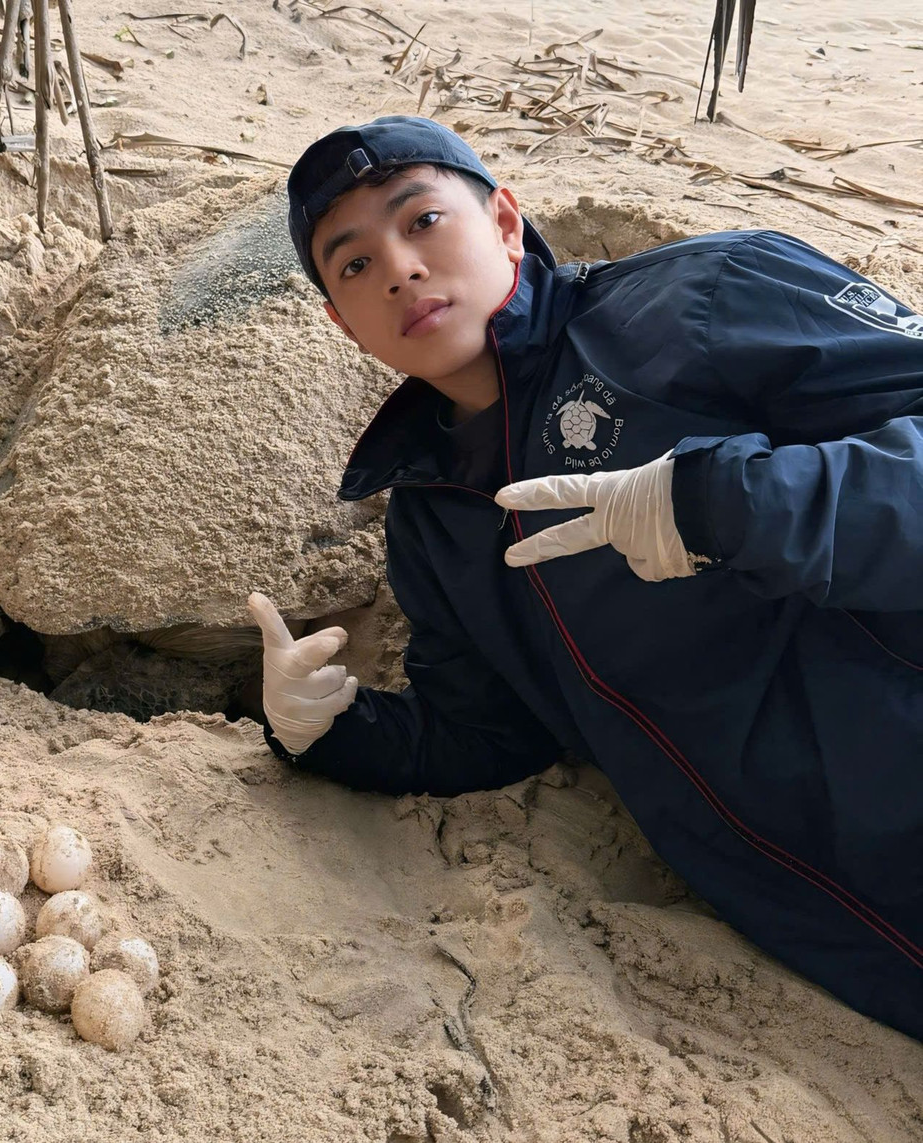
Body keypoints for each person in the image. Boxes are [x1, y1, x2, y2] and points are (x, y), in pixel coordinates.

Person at [248, 115, 923, 1040]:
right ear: (341, 323)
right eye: (353, 264)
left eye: (423, 221)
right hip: (847, 932)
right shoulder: (432, 520)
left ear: (507, 224)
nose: (400, 267)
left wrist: (724, 504)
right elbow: (494, 733)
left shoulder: (702, 298)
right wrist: (330, 729)